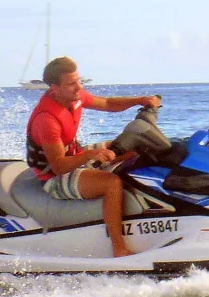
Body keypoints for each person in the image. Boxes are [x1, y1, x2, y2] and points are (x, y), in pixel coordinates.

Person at [25, 56, 161, 258]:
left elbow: (107, 103)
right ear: (55, 88)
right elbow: (59, 167)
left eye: (78, 80)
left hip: (74, 155)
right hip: (53, 176)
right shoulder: (47, 119)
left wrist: (139, 101)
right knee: (112, 183)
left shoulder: (74, 97)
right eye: (71, 84)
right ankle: (119, 248)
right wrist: (91, 155)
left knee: (128, 147)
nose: (78, 87)